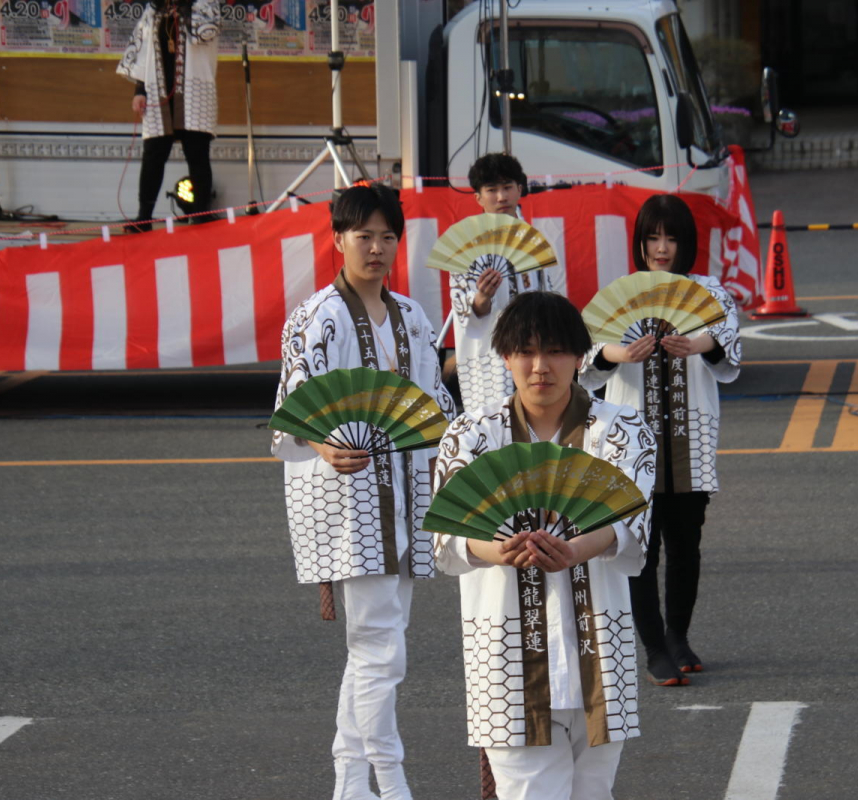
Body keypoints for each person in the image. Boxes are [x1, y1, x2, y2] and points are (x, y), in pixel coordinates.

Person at [272, 184, 456, 800]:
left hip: (408, 495)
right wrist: (321, 442)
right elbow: (292, 412)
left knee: (378, 643)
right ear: (338, 240)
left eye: (387, 236)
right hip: (347, 502)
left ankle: (350, 780)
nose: (376, 248)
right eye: (363, 236)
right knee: (382, 650)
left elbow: (437, 406)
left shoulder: (412, 315)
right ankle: (390, 776)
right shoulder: (315, 317)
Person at [434, 291, 655, 800]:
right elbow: (448, 536)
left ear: (579, 357)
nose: (540, 367)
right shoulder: (471, 434)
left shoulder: (621, 428)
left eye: (555, 351)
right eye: (525, 352)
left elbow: (634, 520)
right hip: (506, 657)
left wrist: (580, 548)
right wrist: (498, 550)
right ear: (505, 356)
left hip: (602, 652)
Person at [578, 194, 741, 688]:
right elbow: (587, 356)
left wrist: (699, 344)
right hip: (635, 443)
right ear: (640, 242)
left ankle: (679, 637)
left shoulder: (709, 291)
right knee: (640, 546)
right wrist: (618, 352)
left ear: (686, 242)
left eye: (671, 237)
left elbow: (728, 336)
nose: (662, 248)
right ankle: (653, 647)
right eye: (653, 237)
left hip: (690, 443)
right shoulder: (623, 293)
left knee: (686, 544)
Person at [449, 153, 560, 412]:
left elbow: (550, 295)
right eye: (492, 190)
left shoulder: (534, 241)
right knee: (494, 428)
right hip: (490, 358)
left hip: (535, 353)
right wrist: (481, 298)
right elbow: (461, 308)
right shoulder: (465, 245)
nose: (501, 197)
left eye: (507, 187)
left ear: (519, 190)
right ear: (478, 197)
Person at [117, 0, 220, 231]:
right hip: (157, 92)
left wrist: (186, 8)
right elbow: (141, 51)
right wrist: (139, 91)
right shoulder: (154, 9)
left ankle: (201, 215)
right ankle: (144, 218)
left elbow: (205, 33)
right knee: (154, 154)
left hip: (194, 92)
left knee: (197, 153)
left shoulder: (205, 4)